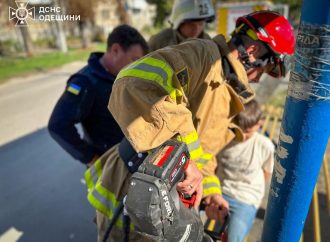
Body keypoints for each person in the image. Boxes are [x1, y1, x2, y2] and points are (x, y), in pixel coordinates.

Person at [85, 10, 294, 242]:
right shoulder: (204, 56)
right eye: (264, 70)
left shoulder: (229, 91)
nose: (258, 79)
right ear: (253, 52)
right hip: (136, 188)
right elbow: (133, 82)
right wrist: (186, 159)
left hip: (168, 201)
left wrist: (212, 191)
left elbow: (205, 154)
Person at [48, 25, 148, 166]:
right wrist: (93, 159)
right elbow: (58, 125)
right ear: (115, 50)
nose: (137, 66)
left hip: (134, 159)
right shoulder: (85, 82)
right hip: (111, 168)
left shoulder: (121, 76)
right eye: (134, 59)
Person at [215, 99, 274, 242]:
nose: (242, 136)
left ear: (259, 124)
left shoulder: (265, 146)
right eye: (239, 130)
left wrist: (254, 196)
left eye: (247, 132)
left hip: (245, 197)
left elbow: (267, 172)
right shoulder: (224, 139)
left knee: (233, 238)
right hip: (220, 191)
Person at [148, 0, 215, 51]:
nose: (196, 29)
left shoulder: (208, 42)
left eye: (201, 24)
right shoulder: (159, 41)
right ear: (178, 24)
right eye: (191, 25)